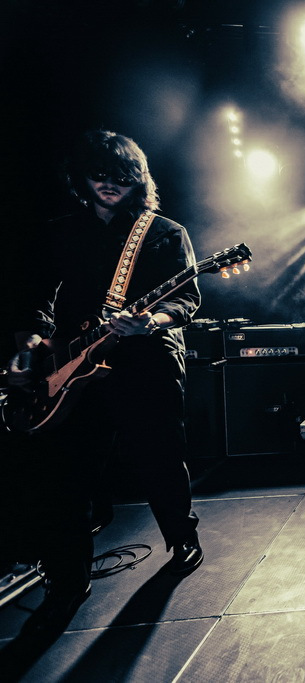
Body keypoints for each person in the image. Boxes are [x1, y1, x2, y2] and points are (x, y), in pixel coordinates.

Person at [5, 130, 203, 640]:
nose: (110, 184)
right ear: (82, 179)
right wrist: (32, 344)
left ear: (138, 179)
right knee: (64, 476)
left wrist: (153, 320)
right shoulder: (60, 232)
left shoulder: (164, 232)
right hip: (73, 368)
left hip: (145, 361)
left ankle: (181, 538)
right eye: (99, 175)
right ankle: (67, 583)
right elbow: (35, 299)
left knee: (161, 456)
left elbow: (186, 299)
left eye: (122, 176)